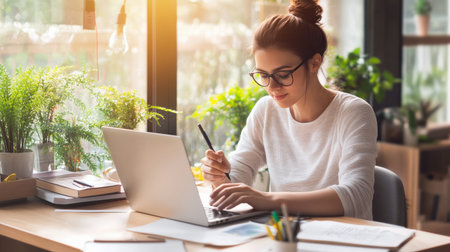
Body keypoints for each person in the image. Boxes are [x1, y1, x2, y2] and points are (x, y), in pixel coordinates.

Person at [200, 0, 377, 220]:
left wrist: (266, 199)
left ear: (314, 64)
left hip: (342, 240)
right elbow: (238, 176)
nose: (272, 87)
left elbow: (356, 196)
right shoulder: (266, 111)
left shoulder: (353, 113)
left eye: (283, 74)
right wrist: (220, 177)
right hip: (285, 237)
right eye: (263, 75)